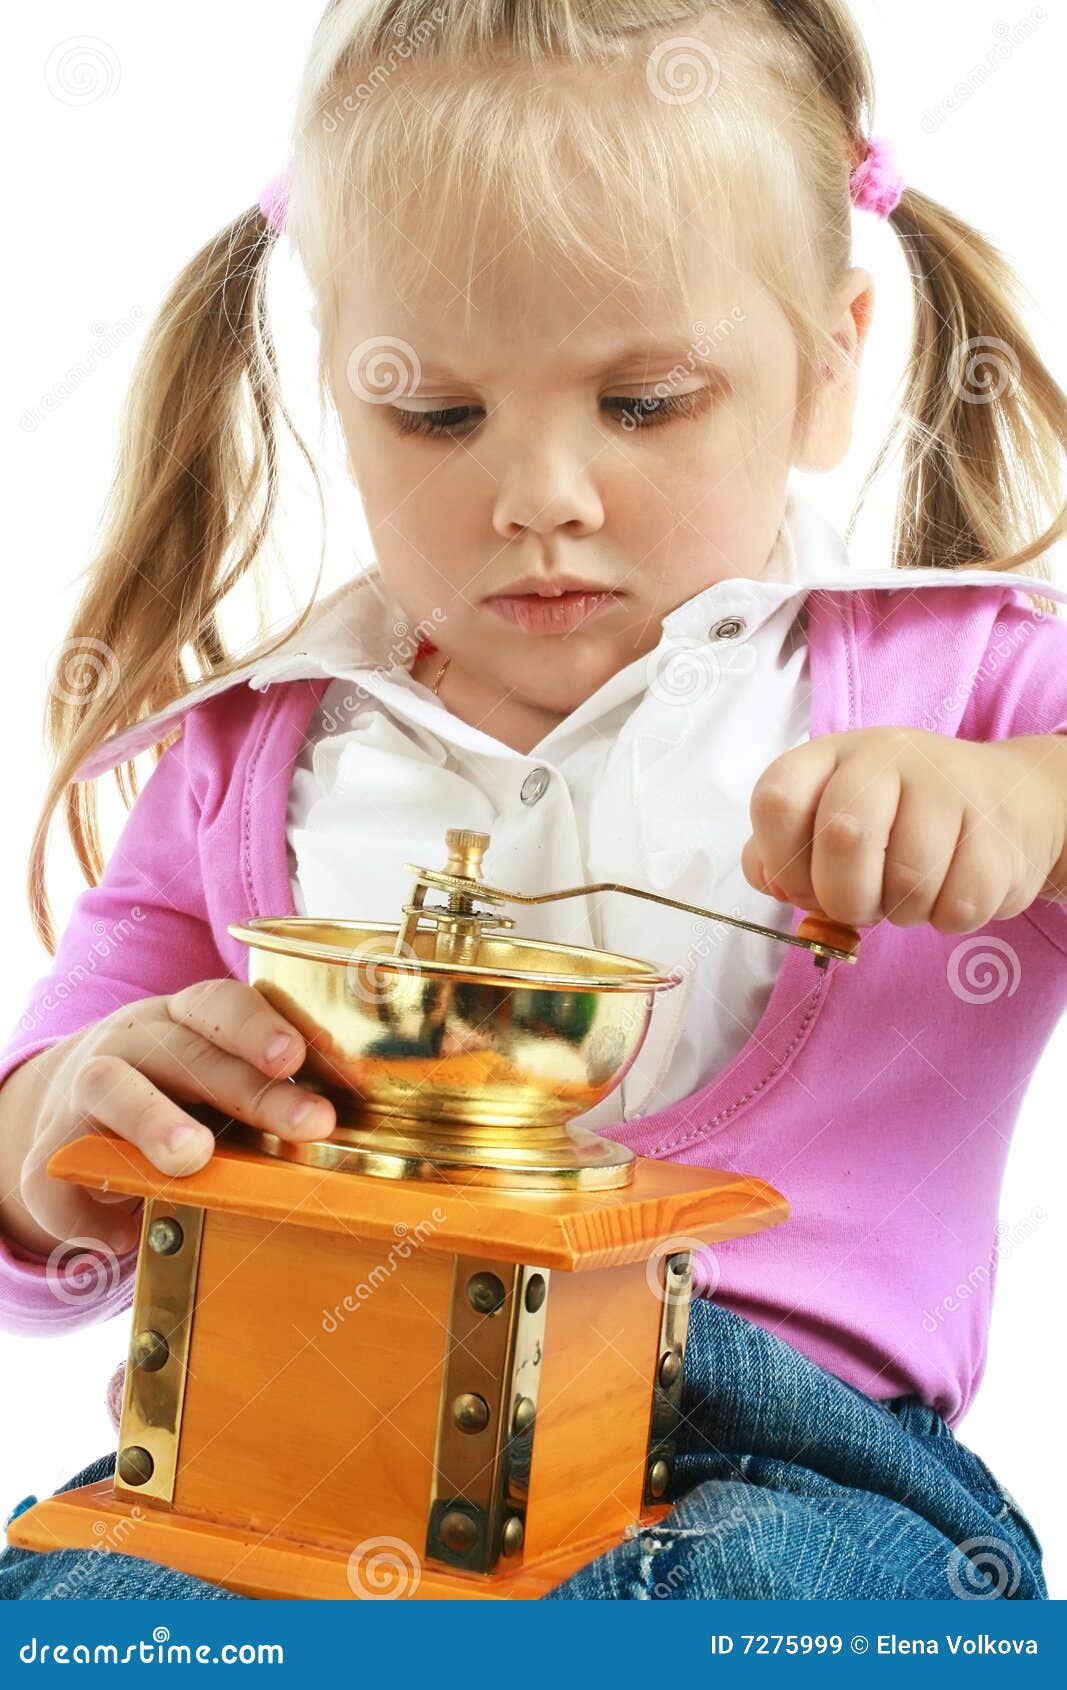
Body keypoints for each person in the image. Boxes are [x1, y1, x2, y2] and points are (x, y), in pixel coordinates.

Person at [1, 0, 1064, 1602]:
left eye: (643, 405)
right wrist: (64, 1120)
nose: (538, 496)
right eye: (436, 414)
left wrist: (1029, 796)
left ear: (832, 363)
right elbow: (42, 1177)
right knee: (91, 1616)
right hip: (284, 1445)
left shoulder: (960, 677)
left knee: (762, 1612)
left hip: (776, 1457)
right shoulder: (250, 755)